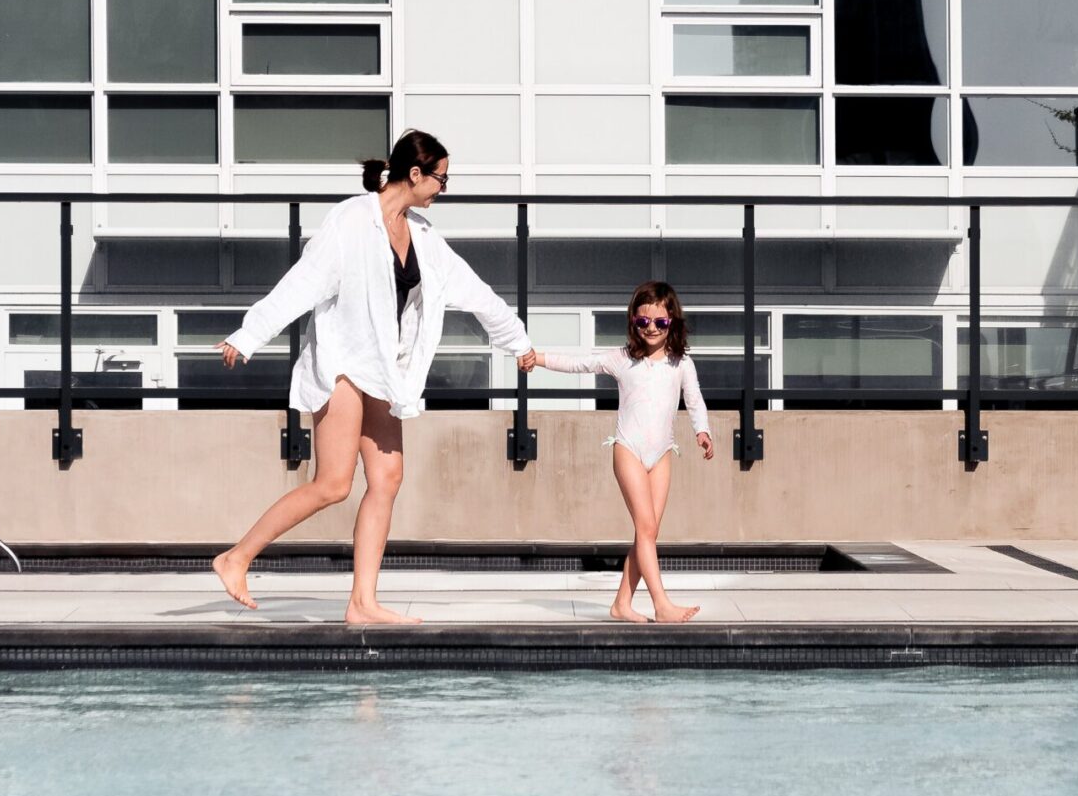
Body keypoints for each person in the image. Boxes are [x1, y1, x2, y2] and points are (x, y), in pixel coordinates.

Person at [211, 130, 534, 624]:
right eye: (441, 179)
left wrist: (519, 342)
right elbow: (303, 282)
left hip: (385, 369)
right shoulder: (350, 221)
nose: (444, 189)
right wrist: (250, 334)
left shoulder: (423, 236)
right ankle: (236, 558)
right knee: (333, 483)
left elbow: (475, 291)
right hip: (343, 362)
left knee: (387, 477)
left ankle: (362, 602)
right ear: (415, 174)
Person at [522, 281, 711, 623]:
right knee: (646, 527)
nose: (651, 328)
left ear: (672, 322)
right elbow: (579, 364)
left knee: (648, 532)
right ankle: (662, 605)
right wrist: (540, 359)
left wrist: (703, 431)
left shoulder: (681, 363)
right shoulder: (622, 359)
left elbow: (694, 399)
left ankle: (622, 604)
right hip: (628, 450)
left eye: (660, 322)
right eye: (643, 322)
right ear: (633, 322)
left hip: (663, 453)